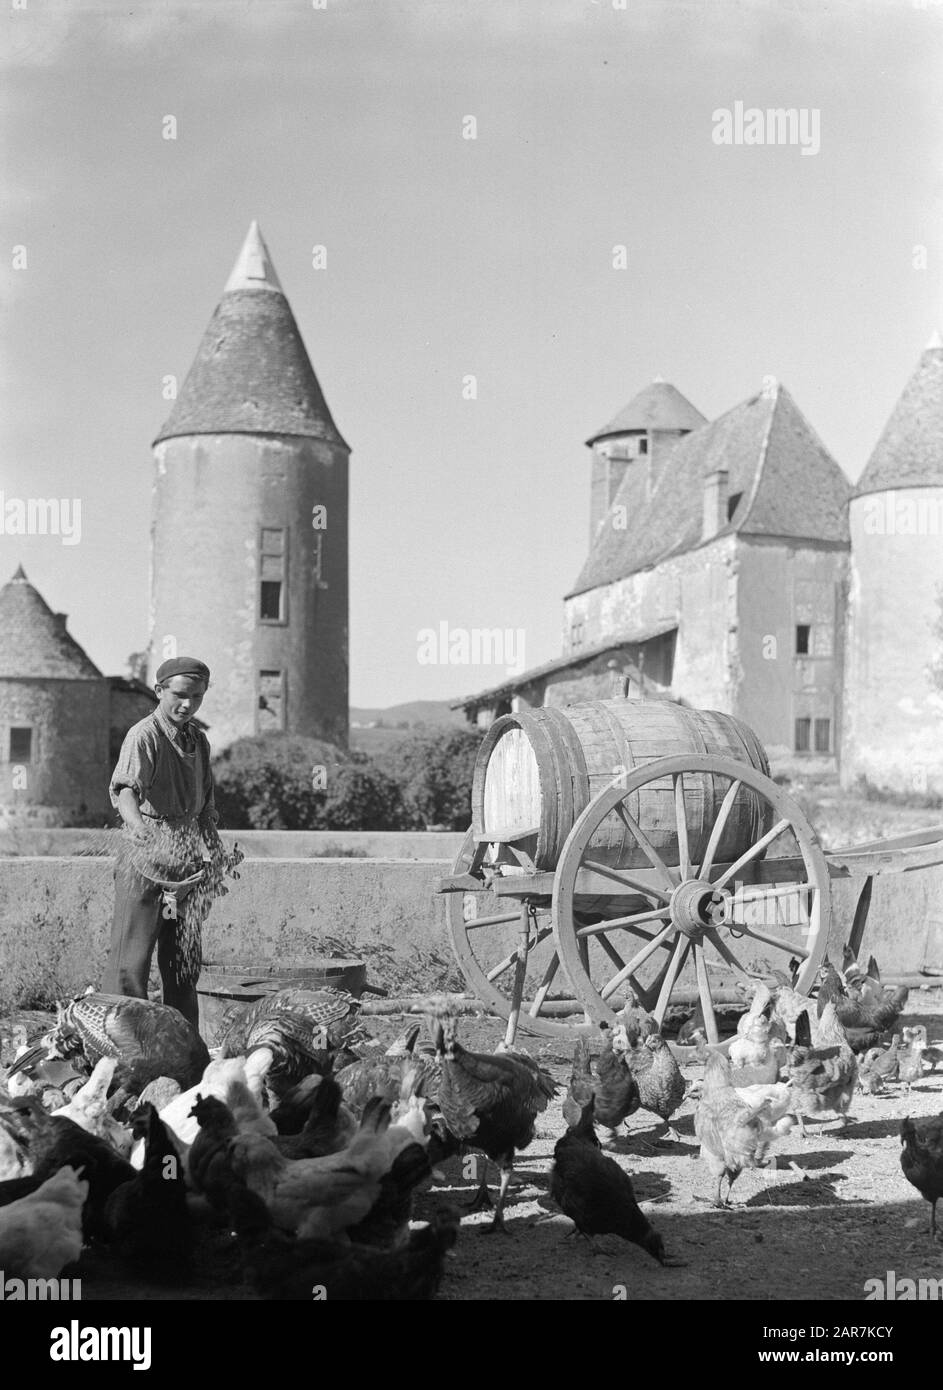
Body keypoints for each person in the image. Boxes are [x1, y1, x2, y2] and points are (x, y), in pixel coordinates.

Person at [103, 656, 221, 1031]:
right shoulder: (145, 735)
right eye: (181, 695)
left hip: (184, 868)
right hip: (146, 863)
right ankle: (121, 1044)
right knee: (130, 964)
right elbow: (126, 790)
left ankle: (183, 1046)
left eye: (198, 697)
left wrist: (212, 847)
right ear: (159, 691)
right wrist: (136, 825)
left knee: (182, 965)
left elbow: (205, 809)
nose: (188, 705)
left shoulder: (198, 740)